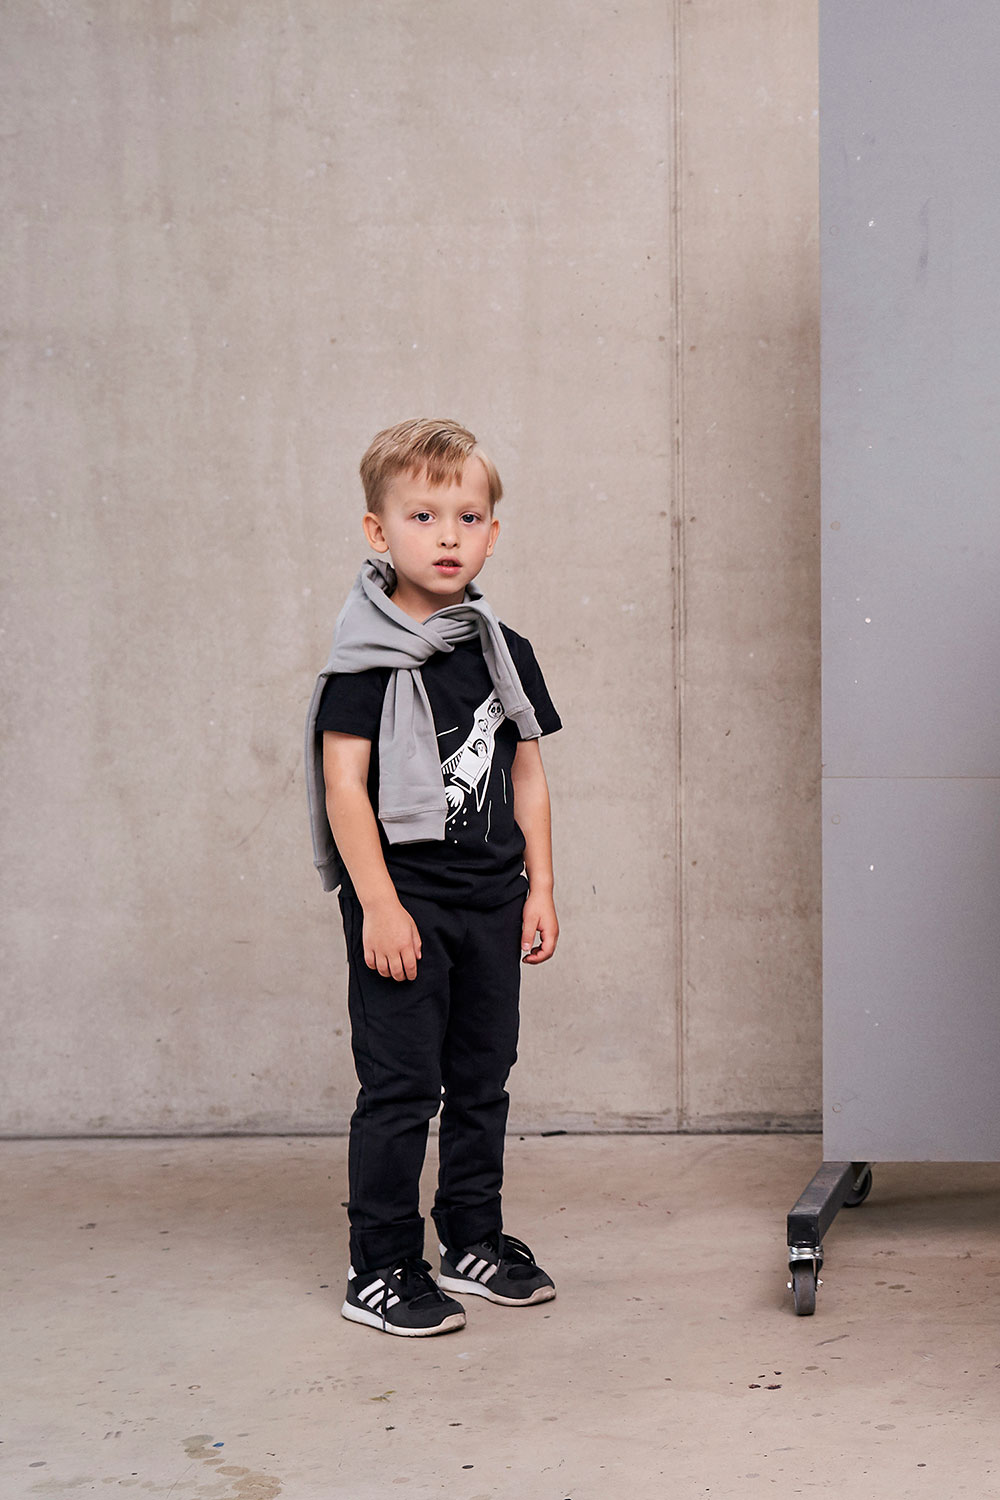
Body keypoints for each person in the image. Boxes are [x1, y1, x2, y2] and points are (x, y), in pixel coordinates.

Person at [304, 418, 562, 1337]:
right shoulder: (366, 661)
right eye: (423, 516)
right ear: (380, 533)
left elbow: (526, 770)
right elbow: (343, 787)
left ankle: (472, 1239)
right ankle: (378, 1264)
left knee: (483, 1079)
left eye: (469, 517)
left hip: (492, 898)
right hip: (404, 905)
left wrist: (540, 885)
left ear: (492, 532)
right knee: (403, 1087)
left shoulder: (502, 650)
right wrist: (378, 905)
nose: (448, 536)